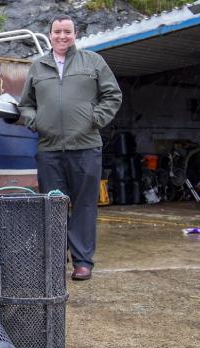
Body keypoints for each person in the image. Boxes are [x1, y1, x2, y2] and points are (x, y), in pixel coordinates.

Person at [15, 14, 122, 281]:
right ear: (50, 35)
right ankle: (54, 260)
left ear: (75, 34)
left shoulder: (93, 62)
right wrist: (35, 121)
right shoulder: (38, 66)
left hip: (86, 146)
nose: (62, 36)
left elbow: (113, 95)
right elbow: (25, 103)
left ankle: (83, 262)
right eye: (57, 32)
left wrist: (94, 119)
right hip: (49, 148)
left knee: (85, 205)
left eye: (67, 32)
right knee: (53, 205)